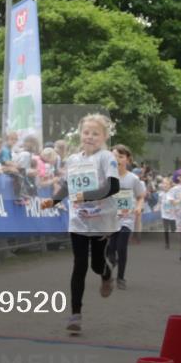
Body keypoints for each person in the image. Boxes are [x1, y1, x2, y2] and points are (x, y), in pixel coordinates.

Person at [40, 114, 120, 335]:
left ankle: (106, 273)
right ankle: (75, 314)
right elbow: (67, 186)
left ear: (104, 136)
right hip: (78, 220)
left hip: (101, 219)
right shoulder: (73, 160)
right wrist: (53, 200)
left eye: (95, 133)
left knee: (95, 265)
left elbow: (112, 187)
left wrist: (85, 196)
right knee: (79, 265)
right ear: (80, 134)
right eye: (86, 132)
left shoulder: (106, 157)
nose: (90, 137)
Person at [107, 144, 146, 289]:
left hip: (127, 218)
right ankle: (112, 259)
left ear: (127, 160)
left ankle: (121, 278)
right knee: (111, 249)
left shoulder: (133, 179)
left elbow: (141, 196)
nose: (116, 159)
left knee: (121, 246)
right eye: (113, 156)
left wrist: (138, 206)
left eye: (120, 156)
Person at [158, 178, 176, 249]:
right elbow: (159, 202)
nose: (165, 185)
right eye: (163, 183)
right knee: (166, 229)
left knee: (173, 229)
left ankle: (174, 228)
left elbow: (175, 202)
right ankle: (167, 243)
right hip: (164, 214)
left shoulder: (173, 193)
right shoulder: (160, 194)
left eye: (167, 184)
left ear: (170, 185)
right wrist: (157, 206)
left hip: (172, 214)